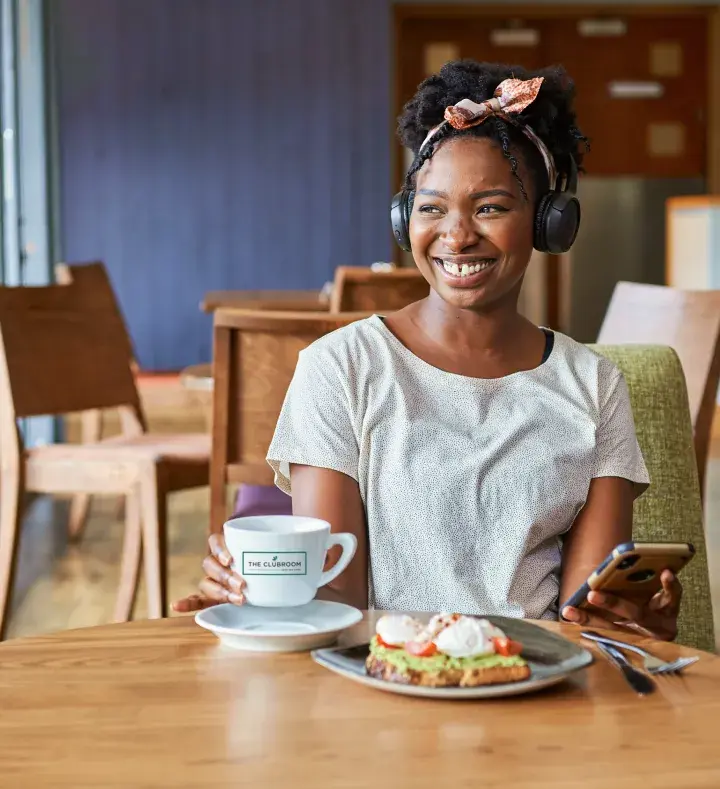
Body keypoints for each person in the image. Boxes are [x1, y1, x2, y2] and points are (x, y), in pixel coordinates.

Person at [175, 60, 681, 640]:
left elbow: (584, 621)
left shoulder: (594, 385)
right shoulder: (342, 367)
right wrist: (250, 593)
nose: (457, 235)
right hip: (382, 683)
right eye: (432, 207)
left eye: (490, 207)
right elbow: (332, 599)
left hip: (539, 688)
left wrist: (636, 620)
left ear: (549, 223)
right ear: (403, 219)